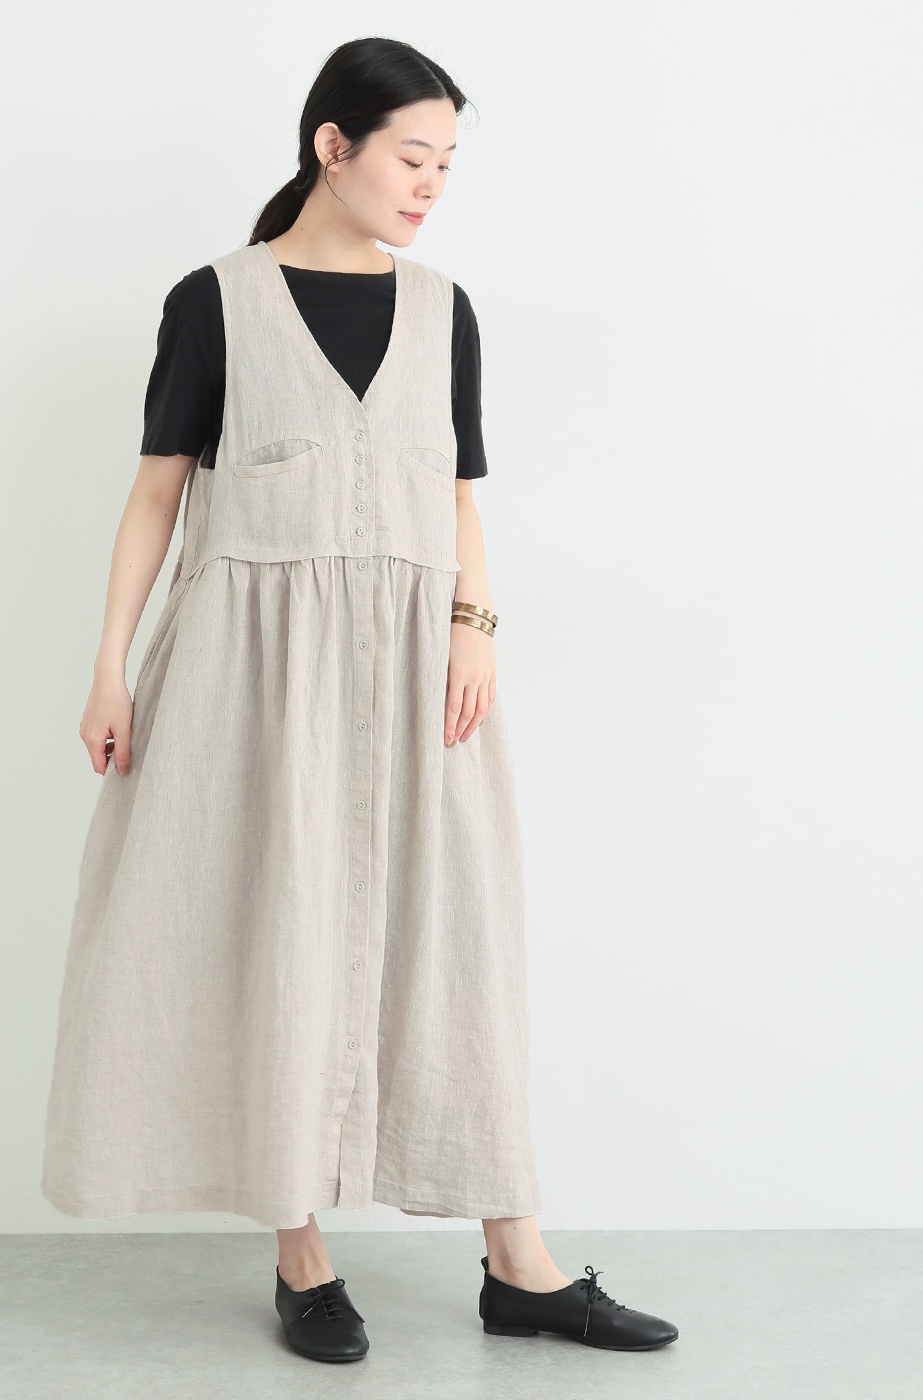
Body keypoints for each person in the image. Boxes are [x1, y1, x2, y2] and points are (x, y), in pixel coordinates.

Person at [40, 36, 679, 1362]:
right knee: (273, 932)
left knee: (457, 945)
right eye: (411, 156)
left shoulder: (446, 311)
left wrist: (473, 627)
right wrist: (109, 663)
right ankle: (303, 1255)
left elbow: (458, 499)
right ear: (332, 146)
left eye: (447, 164)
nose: (431, 184)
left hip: (420, 677)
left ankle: (519, 1263)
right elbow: (156, 493)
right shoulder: (215, 302)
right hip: (247, 676)